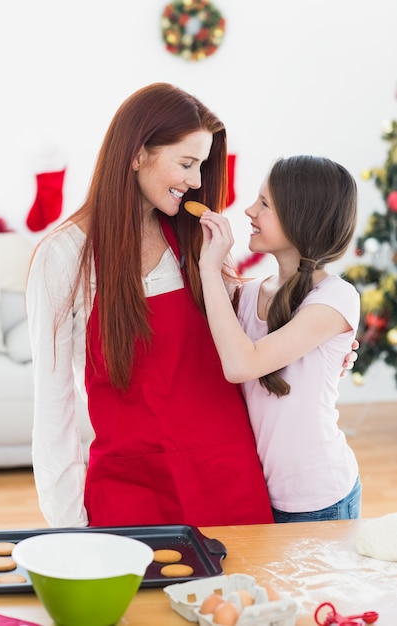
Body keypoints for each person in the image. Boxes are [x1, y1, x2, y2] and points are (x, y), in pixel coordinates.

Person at [26, 82, 275, 528]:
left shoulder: (201, 240)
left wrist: (322, 344)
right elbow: (53, 405)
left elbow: (252, 345)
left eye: (202, 165)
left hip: (230, 480)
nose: (197, 181)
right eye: (186, 163)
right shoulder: (64, 256)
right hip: (132, 494)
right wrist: (67, 526)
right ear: (137, 154)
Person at [199, 155, 362, 523]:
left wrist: (210, 266)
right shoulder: (248, 294)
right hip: (262, 493)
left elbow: (242, 364)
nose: (248, 210)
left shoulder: (336, 297)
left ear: (299, 219)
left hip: (321, 498)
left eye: (265, 204)